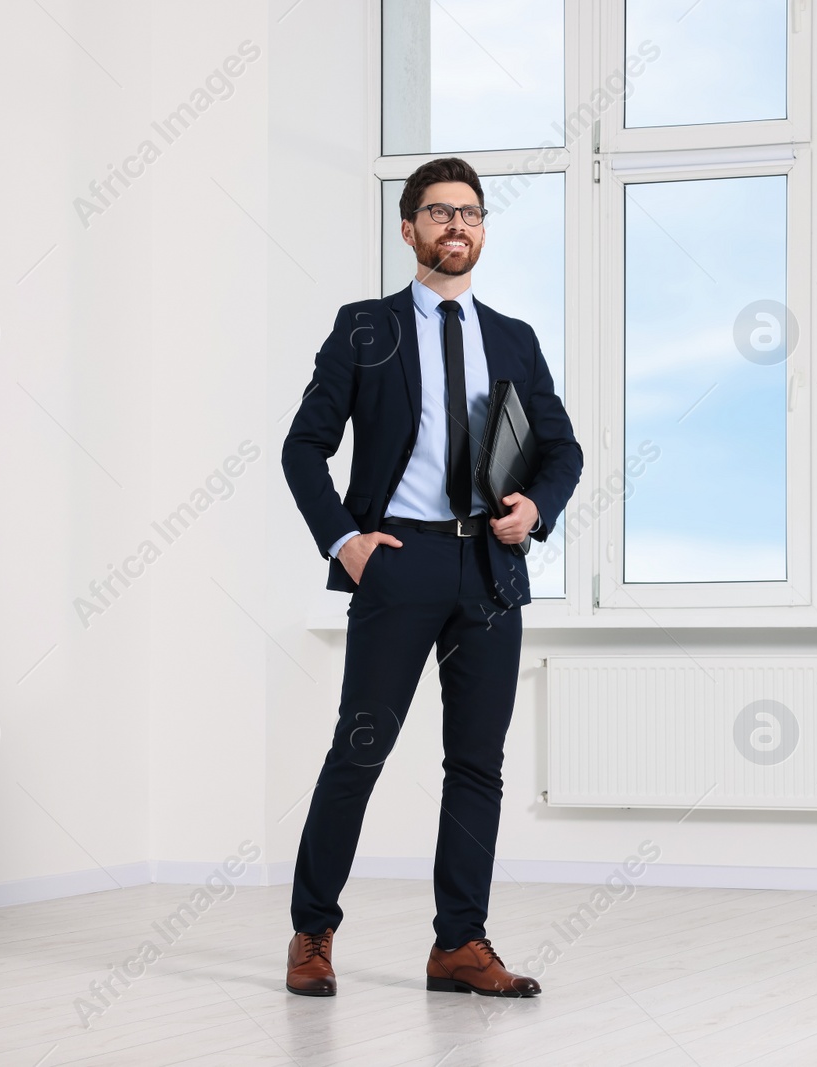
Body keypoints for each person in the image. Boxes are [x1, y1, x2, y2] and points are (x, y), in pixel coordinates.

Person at [279, 156, 583, 998]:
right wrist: (345, 539)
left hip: (488, 566)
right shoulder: (364, 327)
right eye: (441, 213)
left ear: (484, 229)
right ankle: (312, 932)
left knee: (477, 763)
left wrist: (536, 511)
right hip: (400, 561)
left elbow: (563, 450)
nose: (459, 226)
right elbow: (303, 446)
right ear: (408, 228)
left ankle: (460, 943)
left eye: (472, 213)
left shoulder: (514, 337)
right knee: (360, 750)